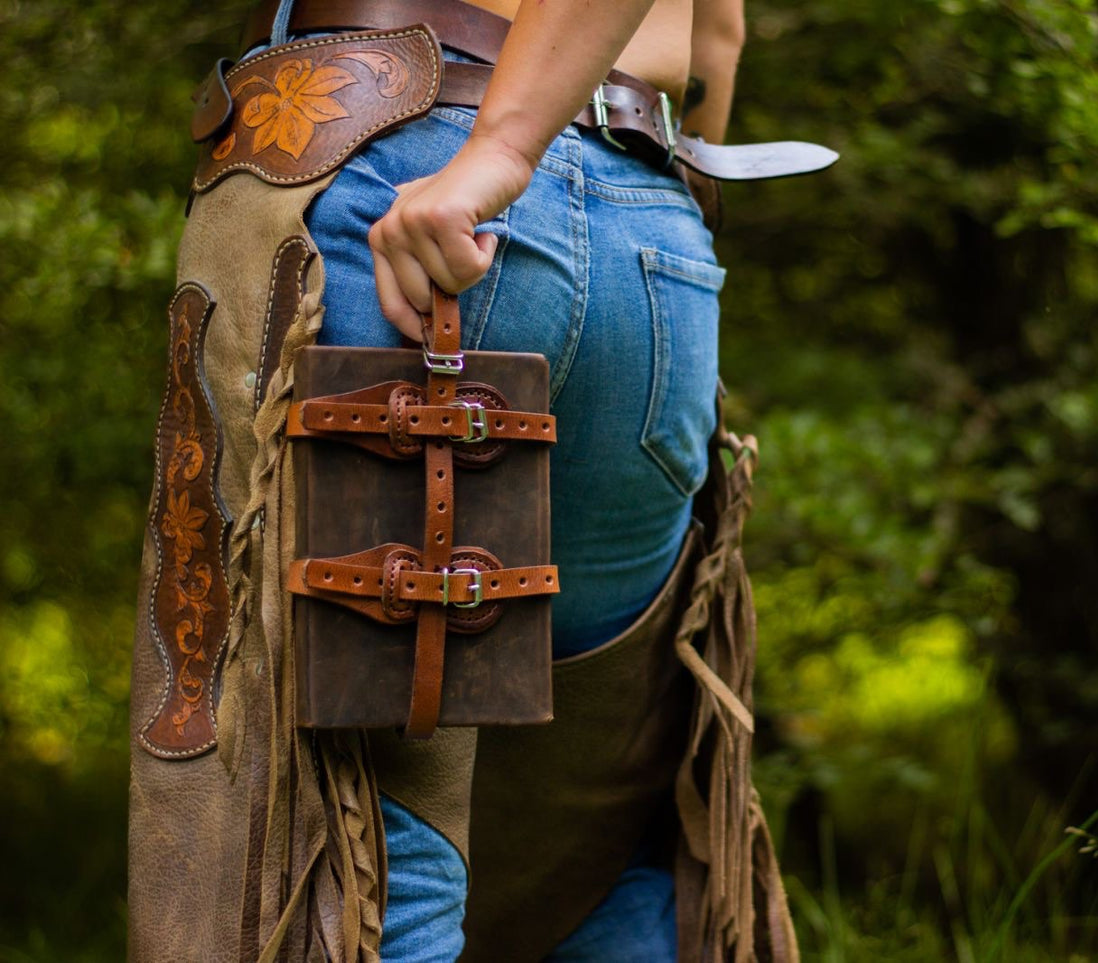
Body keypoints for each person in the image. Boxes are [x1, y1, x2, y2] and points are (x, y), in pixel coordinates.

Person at [127, 0, 827, 959]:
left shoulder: (475, 160)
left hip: (416, 196)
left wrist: (505, 148)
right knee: (608, 821)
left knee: (374, 839)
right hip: (655, 240)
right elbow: (721, 35)